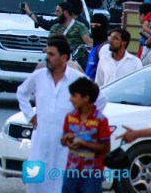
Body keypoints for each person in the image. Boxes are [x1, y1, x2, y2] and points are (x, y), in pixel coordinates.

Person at [16, 35, 107, 193]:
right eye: (47, 54)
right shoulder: (39, 76)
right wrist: (30, 115)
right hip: (40, 139)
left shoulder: (76, 79)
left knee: (60, 184)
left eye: (51, 54)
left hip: (65, 143)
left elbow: (100, 99)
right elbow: (21, 92)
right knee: (34, 182)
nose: (47, 58)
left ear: (63, 57)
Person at [60, 77, 110, 193]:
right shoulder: (70, 117)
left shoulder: (100, 120)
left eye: (74, 96)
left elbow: (105, 148)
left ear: (86, 98)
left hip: (92, 173)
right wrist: (66, 139)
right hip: (71, 171)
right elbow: (62, 140)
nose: (70, 99)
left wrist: (83, 143)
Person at [23, 0, 92, 66]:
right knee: (41, 66)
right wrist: (29, 12)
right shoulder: (56, 25)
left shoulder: (81, 25)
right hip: (58, 57)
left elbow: (88, 42)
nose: (56, 14)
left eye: (59, 10)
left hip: (75, 59)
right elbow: (47, 28)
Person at [84, 13, 109, 81]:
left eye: (96, 26)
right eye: (91, 25)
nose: (94, 28)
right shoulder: (94, 47)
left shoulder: (105, 48)